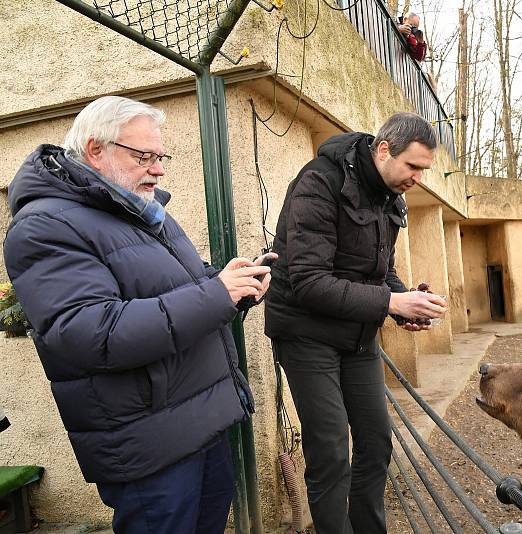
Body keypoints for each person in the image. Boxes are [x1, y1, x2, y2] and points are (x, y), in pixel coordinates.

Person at [3, 96, 273, 534]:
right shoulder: (44, 226)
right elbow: (91, 334)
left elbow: (177, 291)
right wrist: (215, 295)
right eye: (144, 156)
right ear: (96, 150)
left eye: (160, 156)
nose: (159, 169)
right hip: (148, 443)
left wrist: (230, 285)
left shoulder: (142, 212)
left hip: (200, 421)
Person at [264, 112, 448, 534]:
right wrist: (392, 301)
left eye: (424, 169)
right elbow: (309, 283)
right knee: (330, 451)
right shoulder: (320, 183)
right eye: (413, 167)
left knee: (376, 442)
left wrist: (407, 304)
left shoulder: (391, 197)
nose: (418, 178)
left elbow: (381, 273)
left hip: (357, 336)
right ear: (384, 150)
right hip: (306, 333)